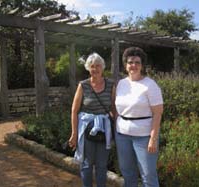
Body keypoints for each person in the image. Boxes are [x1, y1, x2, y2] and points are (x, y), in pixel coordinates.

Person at [115, 47, 163, 187]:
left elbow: (158, 113)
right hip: (122, 135)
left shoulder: (150, 85)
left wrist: (153, 139)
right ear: (125, 65)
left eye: (137, 62)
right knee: (128, 173)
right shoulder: (121, 84)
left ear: (142, 65)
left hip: (144, 136)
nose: (133, 65)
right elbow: (118, 109)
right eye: (130, 62)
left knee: (148, 176)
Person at [69, 52, 115, 187]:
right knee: (86, 163)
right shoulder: (83, 85)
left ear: (103, 67)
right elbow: (74, 110)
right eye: (92, 66)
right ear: (88, 68)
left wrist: (117, 129)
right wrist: (74, 133)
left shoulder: (111, 85)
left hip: (104, 129)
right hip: (86, 129)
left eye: (98, 66)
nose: (95, 69)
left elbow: (114, 109)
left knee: (102, 165)